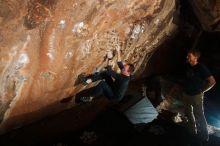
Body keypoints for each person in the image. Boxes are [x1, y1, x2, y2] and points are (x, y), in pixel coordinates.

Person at [182, 49, 216, 141]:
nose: (187, 57)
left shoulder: (201, 67)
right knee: (188, 113)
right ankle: (192, 131)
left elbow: (212, 81)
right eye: (187, 56)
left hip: (196, 95)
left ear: (195, 57)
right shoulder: (187, 66)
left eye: (189, 56)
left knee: (199, 115)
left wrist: (203, 91)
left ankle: (204, 137)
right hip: (186, 94)